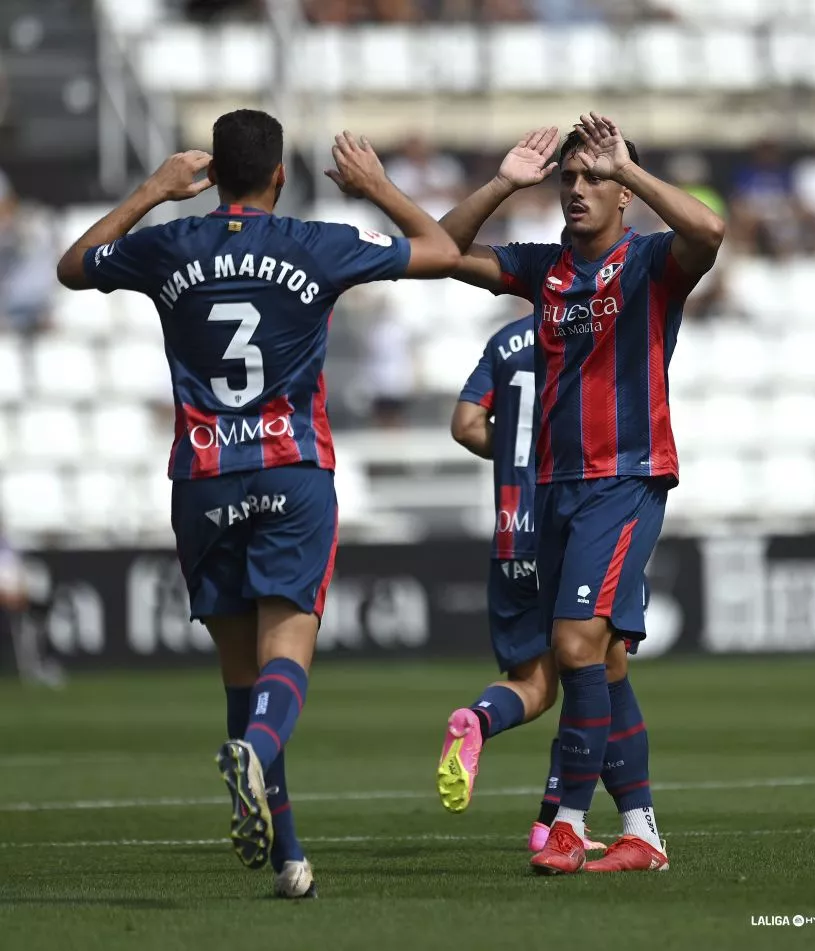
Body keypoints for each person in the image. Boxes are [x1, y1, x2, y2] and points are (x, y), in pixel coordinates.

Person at [56, 109, 460, 897]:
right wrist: (376, 185)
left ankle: (289, 857)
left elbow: (74, 266)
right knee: (287, 659)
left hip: (204, 478)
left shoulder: (168, 243)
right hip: (292, 468)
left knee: (241, 674)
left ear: (211, 174)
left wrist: (153, 191)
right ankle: (259, 761)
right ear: (279, 173)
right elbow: (444, 251)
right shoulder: (314, 243)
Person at [439, 116, 724, 874]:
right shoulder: (545, 269)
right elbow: (441, 250)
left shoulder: (654, 262)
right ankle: (642, 833)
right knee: (605, 661)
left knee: (571, 646)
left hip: (624, 477)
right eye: (568, 177)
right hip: (556, 486)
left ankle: (564, 825)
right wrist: (504, 181)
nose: (576, 189)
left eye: (592, 177)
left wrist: (628, 168)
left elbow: (712, 228)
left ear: (624, 193)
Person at [438, 311, 657, 859]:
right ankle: (560, 821)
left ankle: (481, 720)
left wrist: (512, 442)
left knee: (534, 684)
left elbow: (466, 425)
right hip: (579, 519)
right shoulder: (595, 324)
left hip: (513, 536)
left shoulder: (505, 341)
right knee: (597, 670)